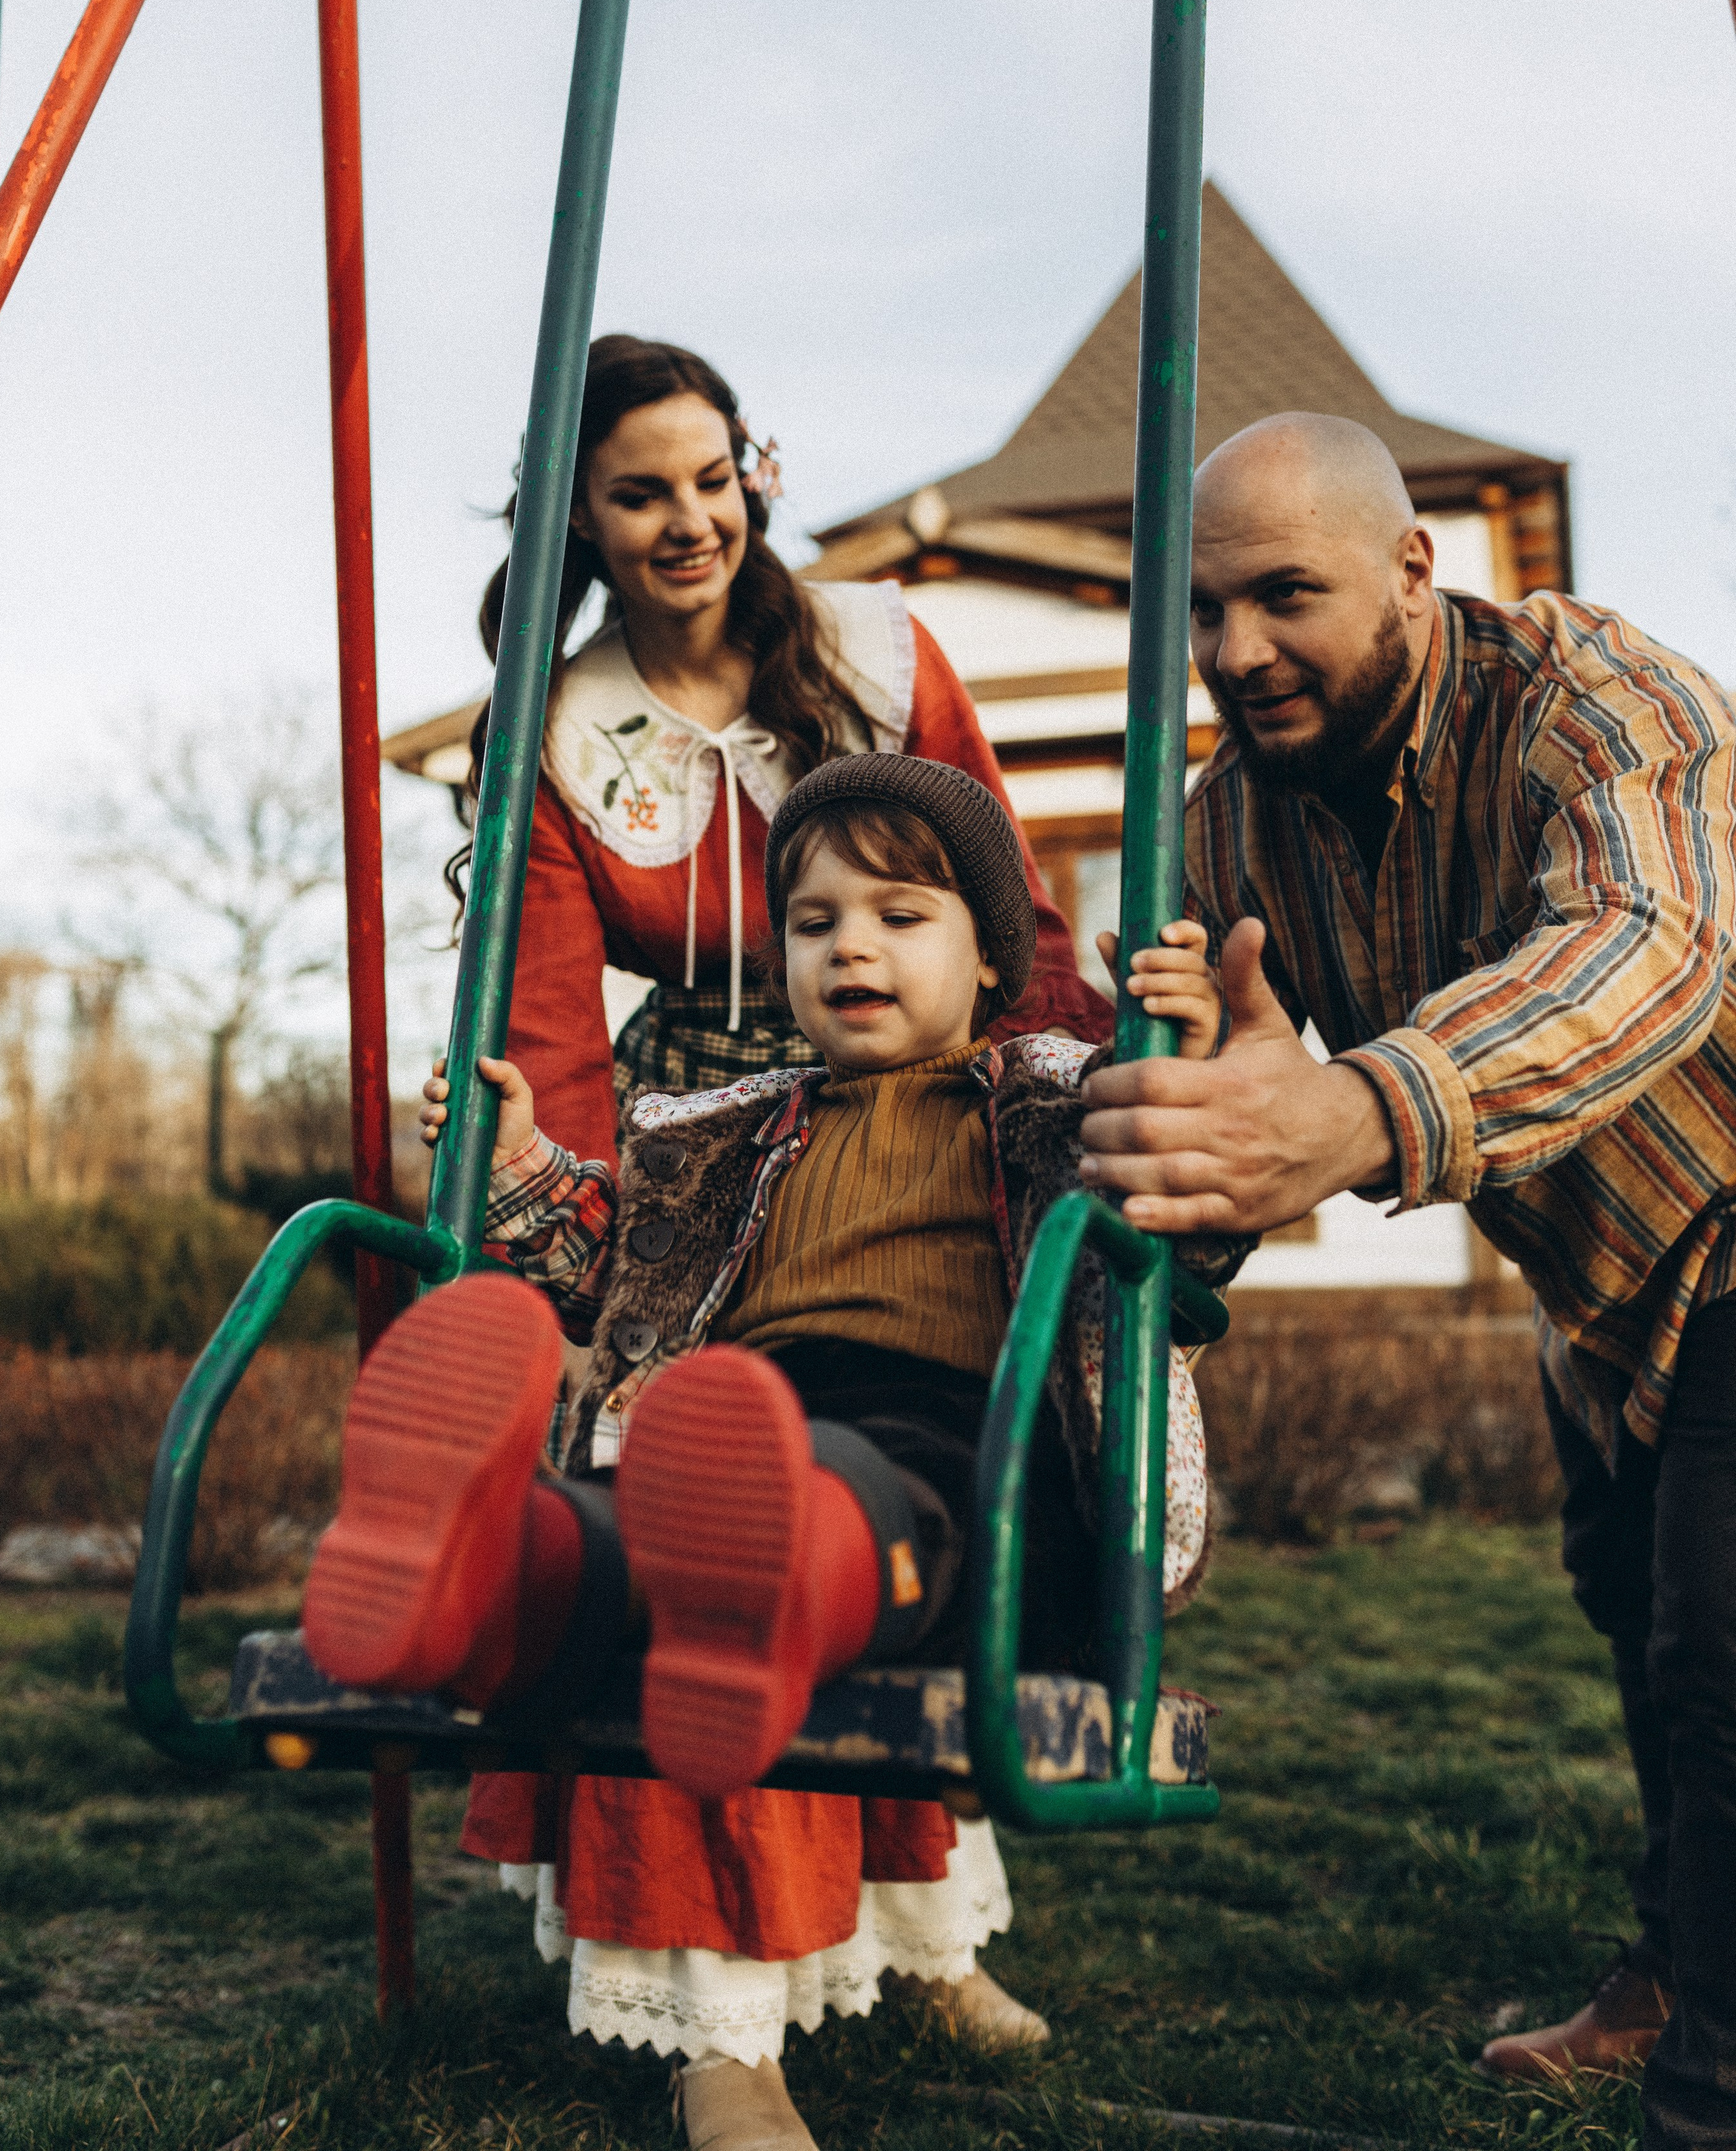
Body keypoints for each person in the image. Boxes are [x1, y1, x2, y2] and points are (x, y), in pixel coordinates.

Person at [308, 756, 1225, 2151]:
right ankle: (482, 1572)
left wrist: (1192, 1074)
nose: (849, 943)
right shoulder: (724, 1131)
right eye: (812, 921)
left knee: (811, 1495)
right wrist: (509, 1165)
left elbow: (1189, 1220)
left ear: (988, 960)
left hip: (952, 1451)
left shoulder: (1054, 1098)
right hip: (726, 1427)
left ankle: (735, 1570)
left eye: (899, 914)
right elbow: (608, 1270)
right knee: (636, 1510)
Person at [443, 337, 1116, 2101]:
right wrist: (551, 1193)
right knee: (682, 1457)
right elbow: (546, 1021)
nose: (687, 520)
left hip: (945, 1092)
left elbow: (993, 903)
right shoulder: (567, 728)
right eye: (637, 492)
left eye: (708, 474)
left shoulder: (880, 654)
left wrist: (1066, 1105)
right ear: (578, 517)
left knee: (842, 1504)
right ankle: (489, 1563)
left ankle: (916, 1935)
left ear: (752, 466)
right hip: (714, 1120)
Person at [1077, 410, 1736, 2151]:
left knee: (1716, 1645)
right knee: (1631, 1616)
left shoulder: (1603, 707)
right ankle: (1670, 1975)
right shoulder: (1233, 827)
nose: (1236, 654)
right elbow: (1234, 1129)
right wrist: (1199, 1150)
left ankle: (1706, 2093)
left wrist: (1360, 1107)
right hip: (1594, 1278)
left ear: (1412, 570)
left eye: (1283, 597)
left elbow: (1637, 950)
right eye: (1205, 615)